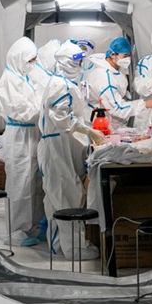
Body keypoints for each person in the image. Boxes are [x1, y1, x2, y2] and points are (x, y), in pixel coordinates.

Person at [37, 40, 105, 260]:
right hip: (57, 147)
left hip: (59, 144)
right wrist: (88, 131)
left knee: (58, 196)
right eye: (78, 61)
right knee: (66, 195)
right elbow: (62, 118)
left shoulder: (62, 82)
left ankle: (58, 244)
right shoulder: (59, 84)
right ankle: (73, 249)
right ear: (66, 62)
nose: (81, 64)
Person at [0, 37, 44, 247]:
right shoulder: (10, 80)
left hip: (31, 135)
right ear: (18, 59)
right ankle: (16, 230)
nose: (33, 64)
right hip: (20, 137)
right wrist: (44, 99)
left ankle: (32, 226)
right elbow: (25, 112)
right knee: (20, 186)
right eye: (30, 60)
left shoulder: (22, 78)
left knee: (34, 184)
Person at [84, 37, 152, 130]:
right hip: (101, 123)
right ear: (113, 55)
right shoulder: (104, 77)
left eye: (129, 55)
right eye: (125, 56)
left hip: (110, 118)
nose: (128, 59)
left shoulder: (115, 66)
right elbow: (117, 108)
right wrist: (144, 104)